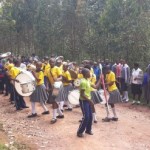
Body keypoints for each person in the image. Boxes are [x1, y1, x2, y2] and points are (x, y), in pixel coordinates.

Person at [77, 68, 101, 138]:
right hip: (83, 101)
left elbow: (96, 87)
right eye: (88, 72)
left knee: (90, 116)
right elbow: (82, 94)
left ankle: (88, 130)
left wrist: (100, 79)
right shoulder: (83, 82)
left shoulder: (88, 80)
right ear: (85, 74)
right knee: (86, 116)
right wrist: (90, 101)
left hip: (88, 100)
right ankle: (79, 131)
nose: (90, 73)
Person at [46, 58, 64, 124]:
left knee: (54, 101)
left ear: (54, 62)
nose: (51, 63)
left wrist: (57, 79)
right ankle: (61, 114)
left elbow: (61, 77)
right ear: (49, 62)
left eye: (53, 62)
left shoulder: (57, 68)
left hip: (57, 86)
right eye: (50, 62)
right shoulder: (47, 70)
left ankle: (54, 117)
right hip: (52, 87)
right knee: (54, 100)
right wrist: (47, 86)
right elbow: (48, 80)